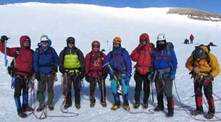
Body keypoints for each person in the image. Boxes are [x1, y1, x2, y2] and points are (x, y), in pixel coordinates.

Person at [0, 35, 34, 118]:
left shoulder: (32, 52)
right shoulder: (17, 51)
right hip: (18, 75)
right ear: (22, 42)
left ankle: (25, 106)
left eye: (28, 42)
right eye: (25, 42)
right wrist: (2, 42)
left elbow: (35, 63)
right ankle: (19, 110)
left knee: (26, 91)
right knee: (17, 93)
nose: (27, 43)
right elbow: (5, 50)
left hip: (27, 76)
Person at [186, 44, 220, 119]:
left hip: (207, 77)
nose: (197, 60)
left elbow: (217, 69)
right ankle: (199, 109)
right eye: (196, 59)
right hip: (197, 76)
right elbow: (187, 64)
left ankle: (211, 111)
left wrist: (210, 76)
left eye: (199, 59)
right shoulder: (193, 55)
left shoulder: (211, 57)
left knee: (208, 94)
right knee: (197, 93)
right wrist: (193, 69)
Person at [152, 33, 177, 117]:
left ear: (165, 41)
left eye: (162, 42)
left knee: (168, 92)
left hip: (168, 74)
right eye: (159, 42)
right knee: (159, 91)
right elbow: (152, 62)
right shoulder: (155, 51)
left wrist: (173, 73)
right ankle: (160, 106)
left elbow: (174, 62)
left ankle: (171, 110)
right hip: (158, 73)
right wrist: (152, 72)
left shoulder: (169, 50)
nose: (160, 44)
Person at [105, 36, 132, 111]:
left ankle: (126, 103)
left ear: (120, 44)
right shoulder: (111, 53)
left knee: (125, 89)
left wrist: (128, 75)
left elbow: (128, 64)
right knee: (114, 88)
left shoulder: (124, 52)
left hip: (123, 73)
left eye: (117, 43)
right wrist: (109, 70)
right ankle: (117, 102)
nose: (115, 45)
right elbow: (106, 62)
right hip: (114, 73)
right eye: (114, 43)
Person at [33, 35, 59, 111]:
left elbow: (56, 59)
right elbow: (35, 62)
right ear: (40, 43)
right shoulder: (37, 51)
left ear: (48, 43)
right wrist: (36, 72)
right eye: (43, 42)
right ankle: (41, 103)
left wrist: (55, 67)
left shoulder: (51, 50)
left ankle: (50, 103)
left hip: (50, 72)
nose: (44, 44)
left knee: (50, 88)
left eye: (46, 42)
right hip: (41, 72)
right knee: (41, 89)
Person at [59, 37, 84, 109]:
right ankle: (68, 102)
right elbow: (60, 62)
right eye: (70, 43)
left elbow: (82, 62)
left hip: (76, 72)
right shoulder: (64, 51)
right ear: (67, 43)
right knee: (67, 88)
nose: (71, 44)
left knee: (77, 88)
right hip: (67, 73)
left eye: (72, 43)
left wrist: (81, 71)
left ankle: (77, 102)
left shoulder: (78, 51)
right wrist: (62, 69)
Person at [131, 33, 154, 109]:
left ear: (147, 40)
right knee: (138, 88)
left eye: (144, 40)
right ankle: (137, 101)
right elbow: (133, 57)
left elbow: (155, 59)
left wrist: (153, 70)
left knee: (146, 88)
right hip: (139, 70)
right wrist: (137, 48)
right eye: (141, 41)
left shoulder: (151, 48)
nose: (142, 42)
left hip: (148, 71)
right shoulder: (139, 48)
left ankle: (145, 102)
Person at [85, 40, 107, 107]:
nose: (96, 48)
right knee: (92, 87)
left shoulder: (102, 55)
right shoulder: (89, 55)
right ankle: (92, 99)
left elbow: (106, 64)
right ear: (92, 47)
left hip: (100, 73)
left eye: (97, 47)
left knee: (102, 87)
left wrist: (105, 72)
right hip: (92, 73)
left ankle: (103, 99)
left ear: (99, 47)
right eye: (94, 47)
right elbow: (86, 65)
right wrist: (86, 74)